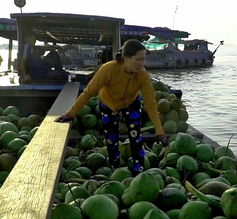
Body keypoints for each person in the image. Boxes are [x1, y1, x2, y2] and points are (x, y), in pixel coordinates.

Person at [55, 39, 167, 176]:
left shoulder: (141, 75)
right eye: (138, 60)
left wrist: (159, 130)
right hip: (108, 103)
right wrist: (71, 113)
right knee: (111, 138)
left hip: (131, 103)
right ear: (126, 58)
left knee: (136, 137)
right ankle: (115, 168)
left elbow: (150, 103)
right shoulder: (108, 69)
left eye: (143, 60)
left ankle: (139, 172)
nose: (141, 64)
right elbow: (89, 92)